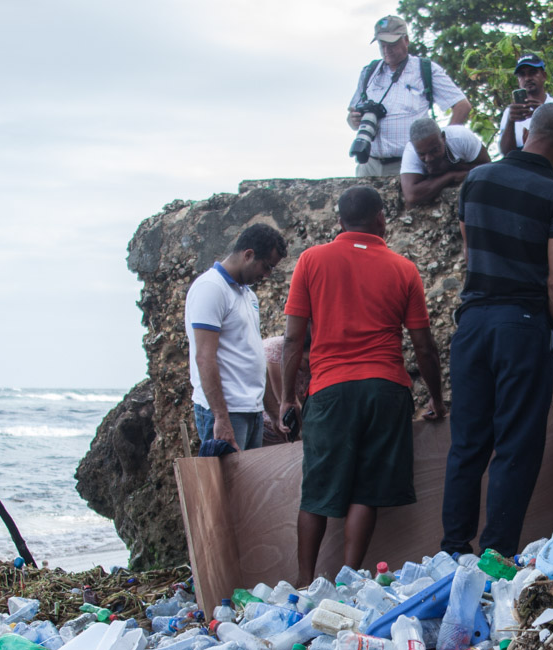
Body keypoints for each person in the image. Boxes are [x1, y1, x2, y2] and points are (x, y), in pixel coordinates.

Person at [278, 186, 447, 586]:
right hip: (386, 389)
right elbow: (424, 344)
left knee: (317, 491)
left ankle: (304, 582)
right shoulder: (404, 269)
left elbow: (291, 339)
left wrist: (288, 397)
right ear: (381, 220)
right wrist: (437, 399)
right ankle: (349, 578)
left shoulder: (311, 260)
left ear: (339, 221)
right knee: (366, 491)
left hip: (330, 390)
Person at [442, 102, 553, 557]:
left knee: (467, 444)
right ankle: (494, 554)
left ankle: (452, 549)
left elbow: (470, 253)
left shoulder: (476, 179)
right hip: (522, 327)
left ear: (527, 133)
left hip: (474, 322)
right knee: (517, 446)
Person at [184, 223, 287, 451]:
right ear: (248, 255)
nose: (267, 275)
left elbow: (254, 356)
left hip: (252, 410)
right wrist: (221, 417)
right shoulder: (211, 288)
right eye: (266, 266)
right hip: (226, 410)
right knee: (228, 486)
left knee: (250, 487)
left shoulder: (248, 294)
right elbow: (204, 357)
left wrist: (272, 411)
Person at [348, 14, 472, 177]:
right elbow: (351, 119)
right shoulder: (369, 72)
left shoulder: (425, 69)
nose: (386, 50)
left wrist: (443, 146)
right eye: (382, 44)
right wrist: (354, 119)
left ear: (405, 40)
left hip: (408, 165)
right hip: (369, 163)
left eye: (391, 44)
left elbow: (462, 106)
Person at [498, 53, 553, 158]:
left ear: (544, 76)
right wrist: (510, 121)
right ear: (518, 80)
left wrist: (547, 113)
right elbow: (506, 153)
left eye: (532, 72)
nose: (527, 78)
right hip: (520, 169)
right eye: (522, 75)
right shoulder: (511, 112)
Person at [400, 118, 490, 205]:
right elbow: (412, 195)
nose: (428, 158)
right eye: (422, 154)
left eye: (434, 150)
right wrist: (451, 176)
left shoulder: (460, 137)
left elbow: (488, 169)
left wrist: (457, 168)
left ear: (443, 137)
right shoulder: (411, 151)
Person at [260, 335, 310, 446]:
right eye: (306, 361)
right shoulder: (274, 350)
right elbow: (283, 400)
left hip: (296, 420)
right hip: (273, 421)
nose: (308, 367)